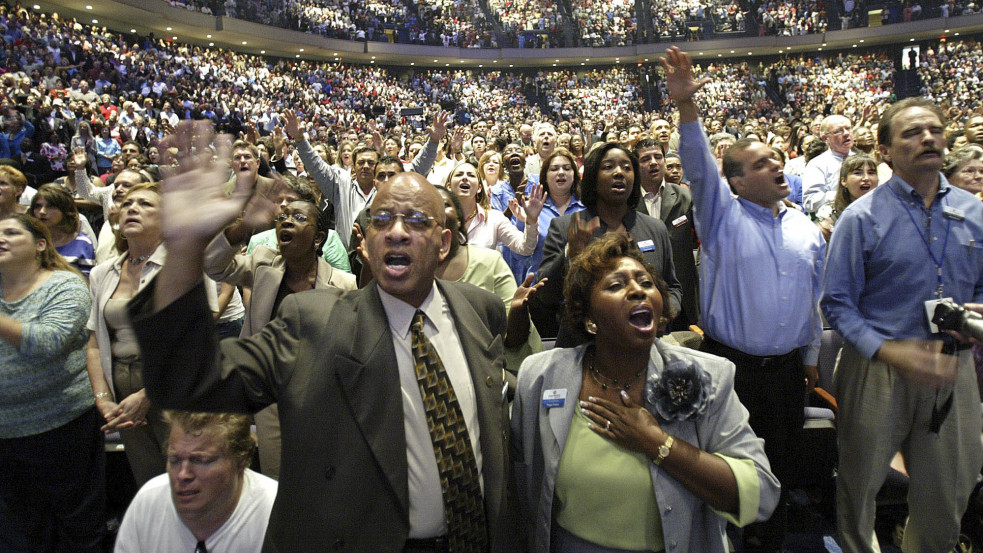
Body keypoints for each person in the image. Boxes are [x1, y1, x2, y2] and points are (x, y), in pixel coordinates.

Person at [127, 121, 518, 551]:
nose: (398, 231)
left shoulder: (479, 310)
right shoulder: (310, 322)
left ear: (444, 243)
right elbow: (190, 382)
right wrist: (184, 245)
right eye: (382, 219)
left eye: (417, 221)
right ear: (366, 242)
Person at [512, 233, 779, 552]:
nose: (637, 290)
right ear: (590, 319)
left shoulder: (706, 375)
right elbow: (522, 489)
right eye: (615, 285)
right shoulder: (540, 376)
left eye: (646, 283)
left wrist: (657, 443)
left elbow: (761, 494)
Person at [665, 46, 825, 553]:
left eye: (777, 159)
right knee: (730, 476)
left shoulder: (805, 228)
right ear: (735, 182)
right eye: (760, 163)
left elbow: (815, 298)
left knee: (778, 470)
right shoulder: (721, 217)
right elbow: (698, 165)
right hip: (733, 369)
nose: (776, 165)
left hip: (788, 373)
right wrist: (688, 108)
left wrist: (813, 358)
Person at [822, 97, 983, 553]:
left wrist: (974, 314)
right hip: (879, 366)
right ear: (885, 150)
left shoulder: (974, 213)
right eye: (912, 132)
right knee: (860, 488)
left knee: (948, 492)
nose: (928, 137)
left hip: (952, 365)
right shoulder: (861, 218)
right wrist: (887, 349)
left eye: (934, 129)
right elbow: (836, 304)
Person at [205, 182, 356, 479]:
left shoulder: (343, 284)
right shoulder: (263, 263)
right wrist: (241, 229)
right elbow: (214, 266)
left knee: (319, 474)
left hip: (320, 395)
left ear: (318, 238)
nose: (286, 220)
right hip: (270, 391)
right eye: (283, 217)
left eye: (299, 218)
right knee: (277, 474)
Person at [87, 182, 217, 487]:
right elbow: (93, 343)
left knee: (188, 476)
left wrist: (147, 395)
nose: (132, 208)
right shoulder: (102, 273)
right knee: (148, 480)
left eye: (145, 204)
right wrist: (104, 399)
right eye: (128, 203)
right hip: (122, 386)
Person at [0, 213, 103, 552]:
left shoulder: (64, 285)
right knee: (18, 531)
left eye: (12, 232)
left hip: (61, 424)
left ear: (40, 244)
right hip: (6, 431)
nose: (1, 238)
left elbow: (48, 342)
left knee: (75, 525)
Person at [530, 141, 682, 343]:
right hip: (582, 346)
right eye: (608, 167)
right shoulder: (566, 226)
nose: (619, 173)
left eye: (627, 168)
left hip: (643, 342)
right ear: (593, 177)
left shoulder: (655, 228)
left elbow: (671, 287)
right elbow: (545, 296)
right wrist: (571, 253)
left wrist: (665, 311)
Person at [114, 411, 278, 553]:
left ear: (240, 461)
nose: (183, 474)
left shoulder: (276, 513)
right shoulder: (148, 504)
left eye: (201, 460)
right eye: (175, 460)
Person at [432, 185, 543, 373]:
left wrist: (517, 311)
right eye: (427, 207)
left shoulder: (490, 262)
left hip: (499, 371)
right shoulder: (412, 271)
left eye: (443, 204)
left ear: (460, 221)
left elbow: (513, 339)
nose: (436, 211)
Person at [634, 138, 700, 330]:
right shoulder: (627, 202)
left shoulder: (685, 197)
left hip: (683, 296)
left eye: (658, 157)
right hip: (641, 294)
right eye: (646, 159)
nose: (653, 162)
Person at [504, 147, 585, 285]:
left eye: (567, 168)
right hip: (541, 287)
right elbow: (518, 255)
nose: (561, 173)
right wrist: (529, 221)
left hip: (581, 286)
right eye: (554, 169)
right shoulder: (531, 208)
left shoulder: (586, 208)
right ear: (545, 176)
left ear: (574, 174)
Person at [447, 160, 543, 259]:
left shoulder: (494, 218)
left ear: (479, 188)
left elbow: (525, 249)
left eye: (471, 175)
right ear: (448, 186)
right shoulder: (440, 217)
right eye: (459, 175)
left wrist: (531, 219)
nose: (465, 178)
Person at [30, 184, 97, 277]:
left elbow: (86, 283)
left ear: (64, 210)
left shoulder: (82, 243)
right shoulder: (28, 241)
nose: (42, 211)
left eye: (50, 206)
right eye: (38, 206)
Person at [816, 154, 878, 242]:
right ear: (844, 181)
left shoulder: (887, 210)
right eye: (858, 173)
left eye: (871, 173)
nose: (866, 178)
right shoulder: (829, 221)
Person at [802, 114, 855, 213]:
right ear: (825, 138)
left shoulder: (861, 159)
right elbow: (809, 202)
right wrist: (845, 194)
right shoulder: (817, 164)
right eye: (838, 131)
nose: (846, 133)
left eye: (848, 128)